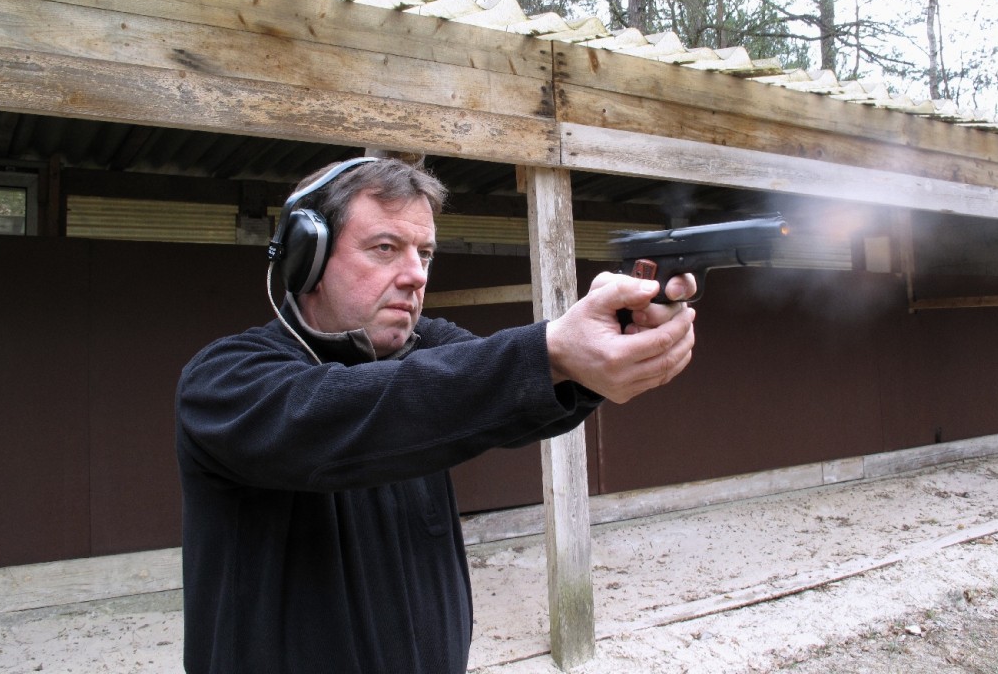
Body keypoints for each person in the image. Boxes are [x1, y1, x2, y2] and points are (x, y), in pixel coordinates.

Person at [175, 156, 696, 674]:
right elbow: (362, 409)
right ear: (305, 258)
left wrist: (602, 349)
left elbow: (507, 395)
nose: (415, 275)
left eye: (424, 253)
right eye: (385, 249)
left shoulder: (427, 349)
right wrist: (553, 351)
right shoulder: (224, 381)